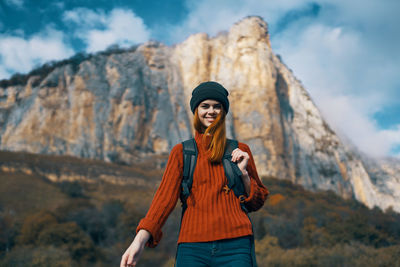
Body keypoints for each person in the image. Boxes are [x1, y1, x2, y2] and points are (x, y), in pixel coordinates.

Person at [120, 81, 269, 267]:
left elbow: (257, 201)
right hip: (192, 247)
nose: (211, 111)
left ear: (223, 112)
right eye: (205, 106)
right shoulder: (182, 152)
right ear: (196, 110)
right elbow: (163, 201)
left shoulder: (240, 149)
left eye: (217, 107)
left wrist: (244, 174)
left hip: (237, 245)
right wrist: (139, 241)